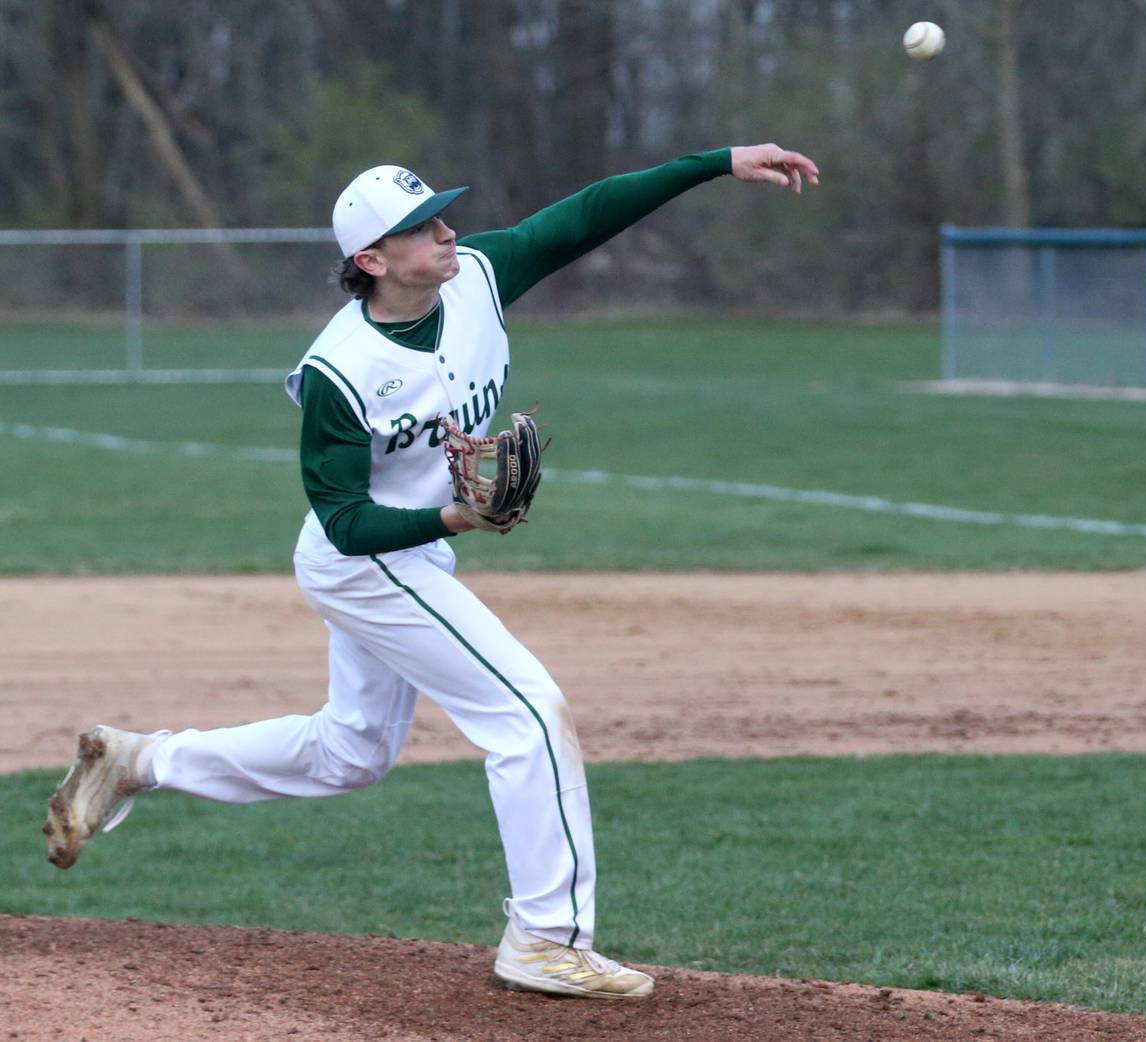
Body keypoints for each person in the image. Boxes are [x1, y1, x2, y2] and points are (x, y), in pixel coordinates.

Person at [42, 143, 820, 1000]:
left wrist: (717, 162)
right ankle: (545, 937)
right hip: (362, 561)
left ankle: (141, 761)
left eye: (442, 215)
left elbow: (590, 212)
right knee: (529, 711)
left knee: (352, 753)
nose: (448, 232)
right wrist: (450, 516)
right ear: (372, 261)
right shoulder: (341, 372)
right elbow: (342, 517)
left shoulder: (479, 277)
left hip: (412, 550)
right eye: (422, 227)